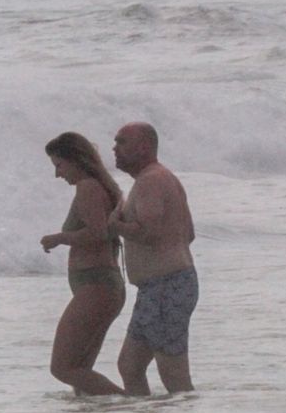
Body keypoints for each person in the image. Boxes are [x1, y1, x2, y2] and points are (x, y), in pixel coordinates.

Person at [109, 122, 197, 395]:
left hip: (166, 286)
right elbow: (189, 233)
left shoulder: (151, 180)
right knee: (130, 366)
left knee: (173, 373)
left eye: (122, 142)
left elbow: (150, 232)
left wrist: (116, 227)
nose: (115, 148)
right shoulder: (158, 178)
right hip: (158, 287)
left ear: (144, 147)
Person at [38, 132, 127, 396]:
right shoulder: (100, 186)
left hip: (97, 286)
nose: (58, 174)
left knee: (63, 368)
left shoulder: (88, 187)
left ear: (76, 160)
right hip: (102, 287)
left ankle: (129, 405)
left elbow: (98, 233)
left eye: (59, 165)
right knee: (79, 372)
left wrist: (61, 237)